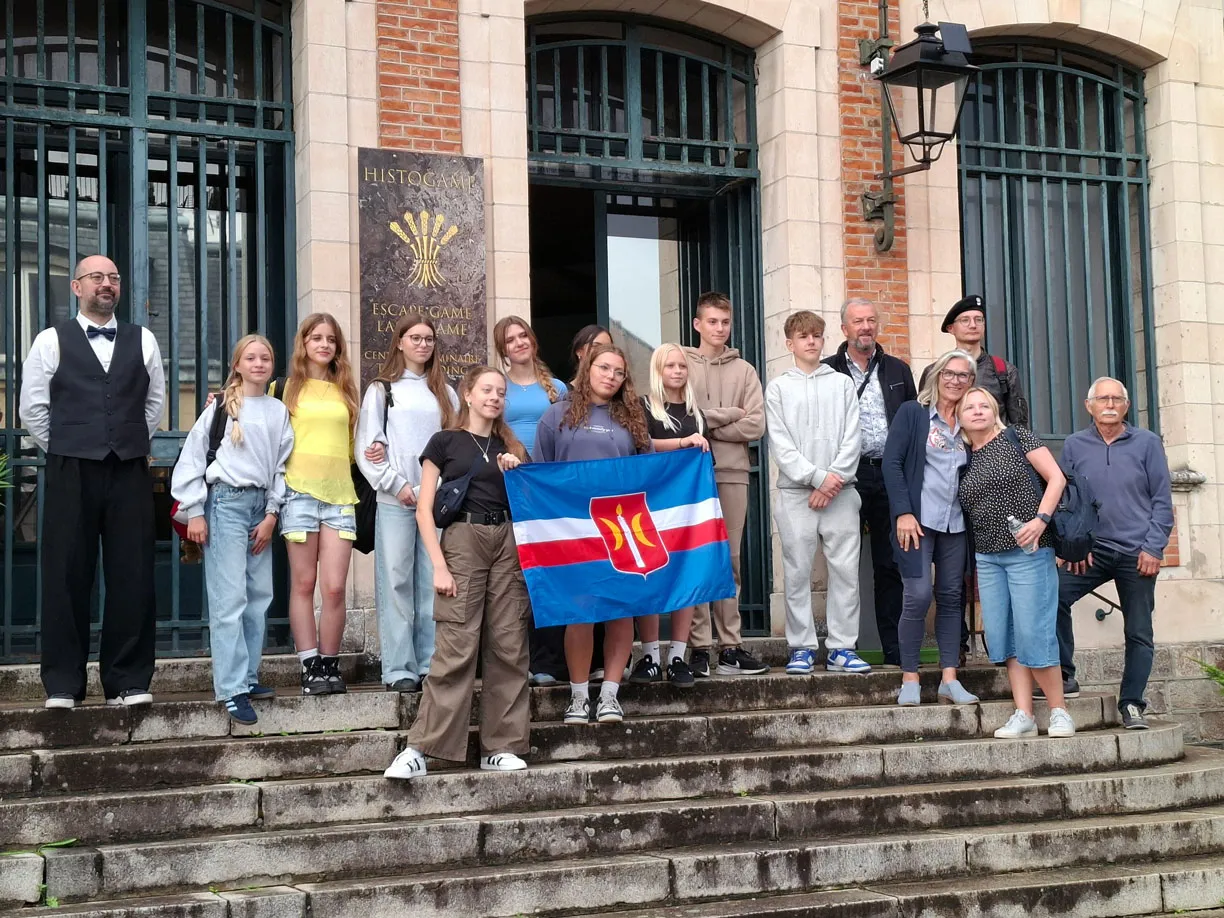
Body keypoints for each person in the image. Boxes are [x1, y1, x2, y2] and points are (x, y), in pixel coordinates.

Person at [20, 254, 166, 710]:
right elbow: (33, 409)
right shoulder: (50, 340)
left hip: (128, 468)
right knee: (66, 573)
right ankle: (63, 684)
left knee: (133, 573)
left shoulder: (144, 340)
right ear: (77, 287)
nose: (107, 283)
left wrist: (123, 439)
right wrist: (70, 444)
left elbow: (154, 404)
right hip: (71, 468)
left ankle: (127, 681)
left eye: (113, 277)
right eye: (97, 276)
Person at [383, 366, 531, 779]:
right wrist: (439, 565)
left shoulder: (511, 445)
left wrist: (516, 471)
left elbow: (531, 501)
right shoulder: (445, 441)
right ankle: (421, 749)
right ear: (467, 394)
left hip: (507, 540)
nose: (494, 397)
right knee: (455, 646)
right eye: (487, 390)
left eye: (500, 392)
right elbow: (424, 510)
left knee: (509, 644)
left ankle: (501, 746)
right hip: (463, 540)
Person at [172, 335, 294, 724]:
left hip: (260, 508)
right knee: (230, 598)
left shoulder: (278, 410)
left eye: (265, 358)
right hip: (225, 503)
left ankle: (249, 675)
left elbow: (280, 466)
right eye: (251, 358)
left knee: (259, 596)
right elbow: (193, 458)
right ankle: (231, 688)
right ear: (237, 365)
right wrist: (195, 511)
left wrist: (272, 514)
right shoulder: (221, 406)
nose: (259, 363)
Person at [534, 343, 652, 724]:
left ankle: (611, 695)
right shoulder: (556, 414)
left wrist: (689, 447)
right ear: (587, 368)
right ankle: (579, 696)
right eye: (604, 368)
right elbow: (541, 471)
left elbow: (647, 471)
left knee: (620, 611)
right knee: (580, 611)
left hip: (622, 526)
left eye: (619, 372)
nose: (611, 377)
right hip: (574, 528)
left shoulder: (632, 417)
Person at [1056, 377, 1173, 731]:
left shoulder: (1148, 443)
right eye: (1102, 398)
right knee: (1053, 595)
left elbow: (1162, 501)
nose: (1109, 404)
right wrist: (1072, 544)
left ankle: (1132, 704)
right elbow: (1067, 499)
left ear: (1126, 405)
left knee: (1139, 631)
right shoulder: (1074, 445)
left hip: (1138, 552)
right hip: (1092, 550)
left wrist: (1153, 547)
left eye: (1116, 399)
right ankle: (1065, 676)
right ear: (1089, 405)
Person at [957, 387, 1073, 739]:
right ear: (959, 417)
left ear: (995, 411)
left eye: (984, 405)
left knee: (1033, 632)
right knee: (1003, 633)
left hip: (1029, 552)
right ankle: (1023, 714)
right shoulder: (963, 456)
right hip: (987, 556)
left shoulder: (1017, 437)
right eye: (969, 407)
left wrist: (1041, 520)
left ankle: (1059, 712)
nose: (978, 411)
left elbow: (1056, 478)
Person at [356, 314, 458, 694]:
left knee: (432, 581)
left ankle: (430, 663)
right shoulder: (382, 390)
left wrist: (435, 488)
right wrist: (396, 484)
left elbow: (455, 448)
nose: (422, 344)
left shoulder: (446, 393)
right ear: (399, 342)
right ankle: (399, 668)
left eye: (428, 338)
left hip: (434, 501)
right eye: (415, 338)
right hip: (396, 498)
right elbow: (368, 448)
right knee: (396, 580)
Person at [766, 311, 871, 676]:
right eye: (803, 336)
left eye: (816, 335)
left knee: (845, 572)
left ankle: (842, 647)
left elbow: (853, 436)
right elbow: (781, 444)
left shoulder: (841, 384)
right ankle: (801, 647)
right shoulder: (778, 388)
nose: (811, 341)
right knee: (796, 572)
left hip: (841, 492)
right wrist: (815, 478)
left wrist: (832, 481)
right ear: (789, 343)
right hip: (796, 494)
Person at [823, 297, 917, 669]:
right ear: (844, 328)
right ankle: (842, 647)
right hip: (846, 474)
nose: (866, 327)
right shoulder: (827, 371)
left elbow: (912, 423)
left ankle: (894, 649)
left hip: (890, 473)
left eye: (871, 320)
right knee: (842, 562)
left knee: (890, 563)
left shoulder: (898, 369)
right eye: (858, 321)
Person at [881, 350, 978, 706]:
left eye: (963, 375)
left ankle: (949, 679)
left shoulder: (971, 423)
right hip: (917, 522)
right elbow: (892, 463)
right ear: (937, 376)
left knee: (951, 598)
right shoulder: (914, 413)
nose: (955, 380)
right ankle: (910, 677)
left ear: (971, 382)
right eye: (948, 373)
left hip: (956, 524)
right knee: (918, 594)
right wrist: (903, 512)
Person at [683, 292, 769, 677]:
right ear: (697, 324)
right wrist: (727, 415)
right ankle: (699, 647)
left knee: (729, 559)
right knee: (698, 557)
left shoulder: (745, 370)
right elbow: (681, 418)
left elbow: (756, 424)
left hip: (733, 472)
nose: (719, 329)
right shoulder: (681, 363)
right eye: (712, 321)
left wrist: (708, 423)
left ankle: (730, 646)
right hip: (690, 474)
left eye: (725, 322)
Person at [277, 313, 361, 696]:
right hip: (298, 493)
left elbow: (353, 446)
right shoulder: (285, 389)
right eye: (317, 338)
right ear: (304, 343)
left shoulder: (346, 391)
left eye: (331, 339)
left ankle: (330, 663)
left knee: (335, 588)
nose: (324, 344)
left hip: (340, 496)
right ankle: (309, 665)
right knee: (303, 583)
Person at [493, 315, 569, 686]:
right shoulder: (498, 387)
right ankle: (513, 659)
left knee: (549, 572)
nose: (519, 342)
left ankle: (548, 662)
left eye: (523, 335)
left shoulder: (558, 387)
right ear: (502, 349)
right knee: (514, 575)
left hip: (548, 488)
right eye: (510, 340)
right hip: (510, 484)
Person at [630, 343, 710, 689]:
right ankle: (649, 656)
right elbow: (641, 444)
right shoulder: (642, 406)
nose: (677, 371)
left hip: (686, 506)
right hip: (649, 503)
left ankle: (677, 656)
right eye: (670, 366)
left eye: (682, 366)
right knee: (648, 573)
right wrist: (684, 442)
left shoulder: (695, 411)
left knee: (684, 575)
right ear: (657, 370)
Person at [921, 295, 1029, 428]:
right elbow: (923, 417)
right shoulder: (934, 372)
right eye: (965, 320)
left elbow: (1019, 425)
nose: (973, 325)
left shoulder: (1004, 371)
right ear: (951, 328)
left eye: (978, 320)